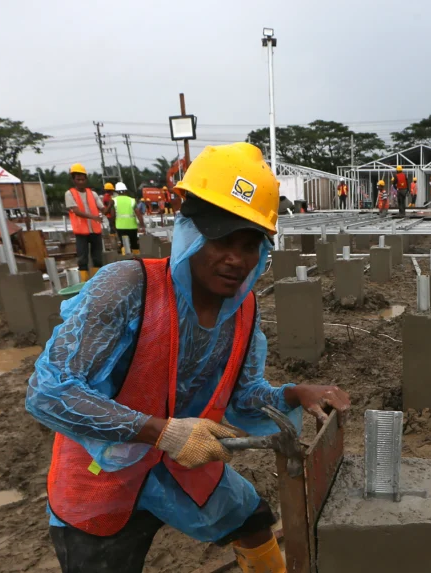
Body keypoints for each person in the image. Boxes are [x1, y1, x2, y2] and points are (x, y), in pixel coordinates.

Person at [27, 142, 350, 573]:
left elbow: (245, 395)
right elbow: (48, 393)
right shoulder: (127, 287)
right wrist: (162, 432)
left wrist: (294, 392)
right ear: (190, 231)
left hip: (180, 464)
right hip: (102, 474)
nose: (235, 259)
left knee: (253, 520)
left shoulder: (243, 311)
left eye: (250, 243)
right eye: (221, 240)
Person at [66, 163, 109, 282]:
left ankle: (98, 282)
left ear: (86, 179)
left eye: (82, 179)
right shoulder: (70, 194)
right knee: (82, 260)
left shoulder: (93, 194)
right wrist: (93, 217)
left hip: (95, 231)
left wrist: (110, 206)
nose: (80, 182)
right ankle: (84, 283)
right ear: (73, 180)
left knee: (97, 259)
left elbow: (103, 209)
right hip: (81, 231)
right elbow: (76, 211)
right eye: (78, 179)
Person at [113, 182, 145, 254]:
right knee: (134, 243)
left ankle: (125, 260)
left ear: (117, 191)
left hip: (120, 226)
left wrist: (113, 226)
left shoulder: (114, 200)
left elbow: (112, 215)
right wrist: (142, 225)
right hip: (132, 226)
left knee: (123, 244)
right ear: (125, 191)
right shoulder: (132, 200)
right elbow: (138, 214)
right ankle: (137, 260)